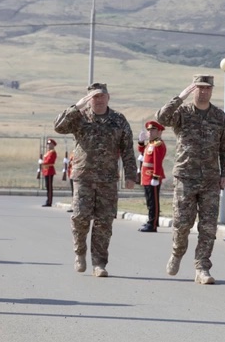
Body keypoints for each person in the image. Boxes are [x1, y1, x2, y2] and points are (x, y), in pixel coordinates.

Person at [54, 83, 136, 277]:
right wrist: (77, 106)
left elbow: (127, 149)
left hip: (108, 179)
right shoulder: (79, 117)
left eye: (101, 96)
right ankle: (79, 253)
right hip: (83, 176)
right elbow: (59, 127)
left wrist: (131, 175)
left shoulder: (118, 120)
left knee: (104, 222)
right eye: (94, 97)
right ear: (89, 99)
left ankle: (99, 263)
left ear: (108, 97)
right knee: (80, 217)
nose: (98, 100)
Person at [156, 75, 225, 285]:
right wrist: (180, 97)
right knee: (182, 224)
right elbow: (162, 117)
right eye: (199, 88)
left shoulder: (218, 116)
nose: (203, 92)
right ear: (193, 89)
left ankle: (202, 267)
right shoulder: (182, 112)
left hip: (210, 179)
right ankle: (177, 253)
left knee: (208, 227)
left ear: (212, 90)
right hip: (185, 177)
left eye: (207, 88)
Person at [138, 120, 167, 233]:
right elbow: (142, 152)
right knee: (149, 201)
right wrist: (141, 142)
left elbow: (157, 161)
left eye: (153, 130)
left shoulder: (158, 144)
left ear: (159, 132)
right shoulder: (150, 143)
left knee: (153, 201)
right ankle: (152, 220)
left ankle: (152, 224)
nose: (149, 132)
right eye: (148, 130)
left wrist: (155, 177)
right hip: (146, 176)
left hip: (152, 177)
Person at [40, 138, 57, 207]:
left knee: (49, 187)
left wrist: (42, 162)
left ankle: (49, 202)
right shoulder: (48, 152)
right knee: (47, 186)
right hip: (46, 170)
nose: (48, 145)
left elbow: (50, 161)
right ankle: (48, 200)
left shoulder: (53, 152)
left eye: (50, 144)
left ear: (53, 145)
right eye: (48, 144)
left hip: (49, 170)